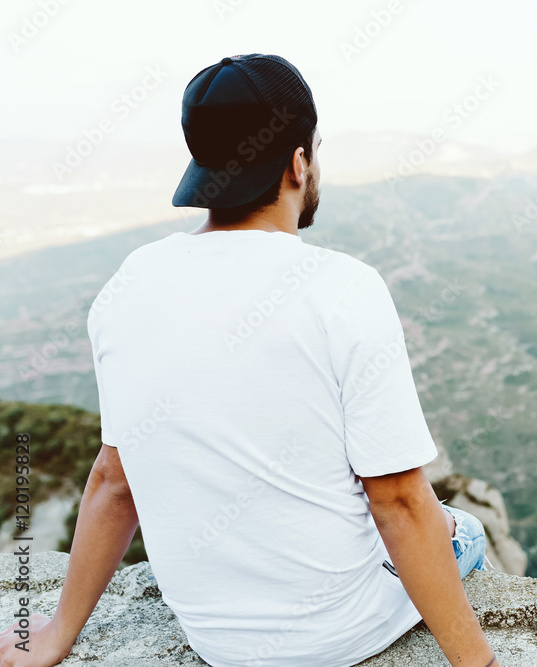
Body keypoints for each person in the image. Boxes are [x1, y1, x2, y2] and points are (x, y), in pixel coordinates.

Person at [0, 54, 501, 667]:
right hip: (337, 636)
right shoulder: (343, 286)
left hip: (215, 640)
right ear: (298, 162)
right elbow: (395, 499)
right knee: (460, 528)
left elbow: (115, 478)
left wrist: (54, 633)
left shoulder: (130, 281)